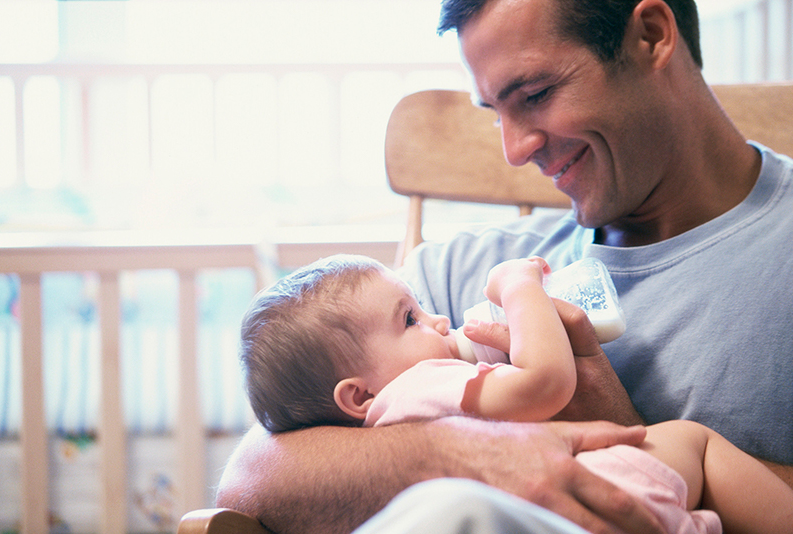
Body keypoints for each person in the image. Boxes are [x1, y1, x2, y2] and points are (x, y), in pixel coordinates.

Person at [217, 0, 793, 532]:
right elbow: (251, 479)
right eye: (496, 112)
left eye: (536, 93)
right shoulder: (450, 275)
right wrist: (461, 452)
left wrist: (622, 435)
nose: (514, 150)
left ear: (650, 36)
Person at [239, 253, 793, 533]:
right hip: (578, 502)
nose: (437, 321)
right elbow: (545, 385)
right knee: (688, 441)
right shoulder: (420, 386)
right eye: (409, 318)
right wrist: (519, 287)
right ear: (357, 398)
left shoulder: (401, 408)